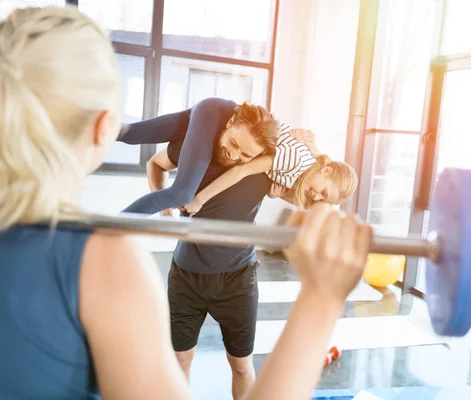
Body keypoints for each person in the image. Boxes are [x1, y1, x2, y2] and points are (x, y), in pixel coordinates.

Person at [0, 6, 373, 400]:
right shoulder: (102, 262)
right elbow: (161, 164)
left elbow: (300, 176)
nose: (234, 157)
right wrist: (321, 298)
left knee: (239, 364)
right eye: (232, 147)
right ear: (101, 127)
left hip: (235, 279)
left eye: (244, 156)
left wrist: (316, 173)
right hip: (186, 275)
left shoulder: (274, 171)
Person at [119, 97, 320, 216]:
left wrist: (314, 150)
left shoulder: (267, 162)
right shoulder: (196, 144)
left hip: (233, 268)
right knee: (182, 193)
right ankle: (108, 231)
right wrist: (165, 203)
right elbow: (156, 164)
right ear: (230, 122)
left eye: (245, 154)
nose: (233, 155)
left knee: (127, 132)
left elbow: (315, 199)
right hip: (213, 110)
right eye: (233, 143)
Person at [182, 128, 358, 215]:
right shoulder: (296, 161)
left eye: (324, 198)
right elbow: (241, 170)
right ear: (326, 170)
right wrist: (199, 200)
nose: (317, 197)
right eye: (324, 192)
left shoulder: (304, 181)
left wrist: (278, 195)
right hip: (237, 127)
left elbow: (312, 207)